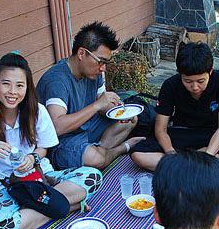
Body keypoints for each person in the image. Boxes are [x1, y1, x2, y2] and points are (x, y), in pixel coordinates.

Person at [0, 53, 103, 229]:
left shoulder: (36, 111)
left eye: (19, 85)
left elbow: (44, 148)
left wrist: (33, 158)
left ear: (27, 87)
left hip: (41, 178)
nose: (12, 92)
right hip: (5, 186)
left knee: (93, 176)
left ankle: (37, 210)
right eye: (6, 84)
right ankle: (63, 206)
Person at [36, 21, 145, 171]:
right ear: (81, 53)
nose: (103, 68)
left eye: (106, 62)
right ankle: (119, 149)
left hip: (87, 128)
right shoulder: (57, 80)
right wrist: (97, 105)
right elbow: (57, 127)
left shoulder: (93, 73)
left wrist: (118, 111)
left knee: (131, 120)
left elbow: (102, 104)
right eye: (100, 61)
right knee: (95, 158)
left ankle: (99, 151)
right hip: (61, 142)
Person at [130, 42, 219, 172]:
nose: (195, 87)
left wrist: (208, 156)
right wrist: (170, 153)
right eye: (188, 81)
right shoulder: (170, 85)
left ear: (210, 72)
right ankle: (197, 168)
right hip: (181, 133)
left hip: (211, 134)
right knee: (138, 154)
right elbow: (160, 129)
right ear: (180, 74)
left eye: (201, 81)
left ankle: (182, 166)